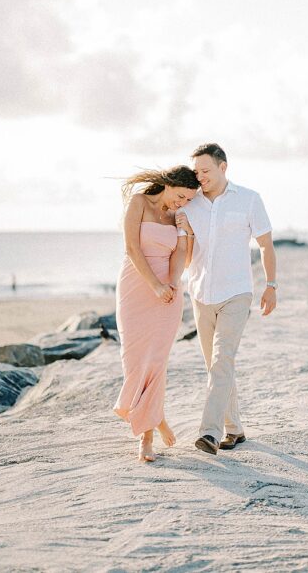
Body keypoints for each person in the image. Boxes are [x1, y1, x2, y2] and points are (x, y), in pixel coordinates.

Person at [175, 143, 277, 455]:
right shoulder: (189, 206)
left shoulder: (249, 199)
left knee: (222, 361)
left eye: (205, 170)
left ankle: (209, 433)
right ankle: (235, 429)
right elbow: (190, 258)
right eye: (196, 171)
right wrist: (184, 231)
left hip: (237, 292)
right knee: (216, 367)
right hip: (201, 294)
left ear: (223, 167)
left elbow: (265, 245)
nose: (200, 176)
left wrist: (271, 285)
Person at [113, 166, 200, 462]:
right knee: (135, 359)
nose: (182, 203)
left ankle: (146, 437)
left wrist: (172, 284)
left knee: (156, 361)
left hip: (168, 292)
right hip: (137, 286)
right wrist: (155, 285)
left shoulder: (178, 216)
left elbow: (181, 256)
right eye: (180, 196)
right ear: (168, 184)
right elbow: (132, 248)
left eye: (188, 200)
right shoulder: (139, 202)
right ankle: (155, 417)